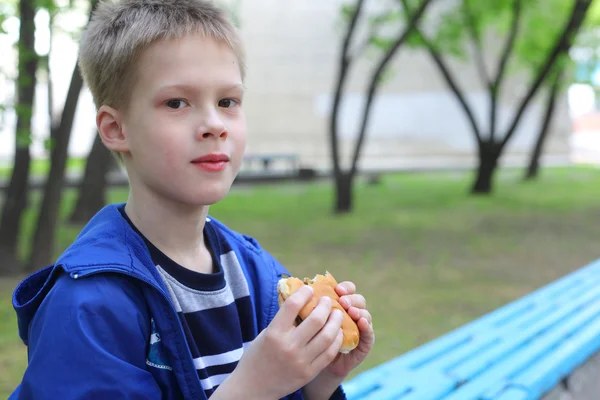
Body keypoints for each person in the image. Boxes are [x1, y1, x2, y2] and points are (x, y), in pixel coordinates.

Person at [9, 0, 375, 399]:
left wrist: (315, 381)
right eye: (177, 103)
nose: (214, 125)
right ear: (116, 128)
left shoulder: (256, 272)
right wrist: (254, 387)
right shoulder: (88, 306)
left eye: (227, 102)